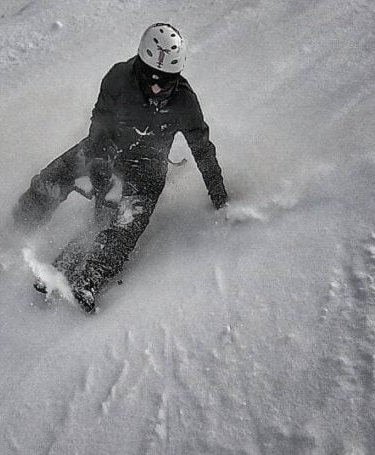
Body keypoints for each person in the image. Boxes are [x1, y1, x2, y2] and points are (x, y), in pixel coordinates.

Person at [14, 23, 227, 312]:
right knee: (54, 176)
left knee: (125, 221)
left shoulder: (185, 103)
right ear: (138, 64)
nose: (155, 85)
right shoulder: (118, 77)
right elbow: (100, 117)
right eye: (149, 76)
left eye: (164, 80)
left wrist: (219, 195)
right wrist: (100, 159)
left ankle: (92, 275)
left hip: (148, 168)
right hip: (107, 146)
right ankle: (21, 223)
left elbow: (202, 149)